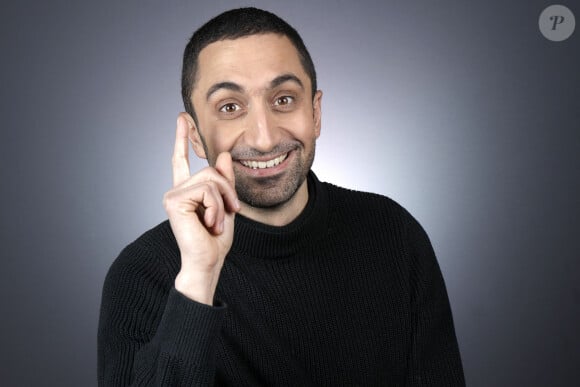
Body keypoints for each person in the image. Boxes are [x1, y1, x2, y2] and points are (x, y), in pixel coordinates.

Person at [98, 7, 465, 386]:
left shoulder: (393, 234)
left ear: (316, 112)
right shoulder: (142, 274)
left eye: (284, 100)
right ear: (194, 135)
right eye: (229, 107)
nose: (264, 137)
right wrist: (198, 280)